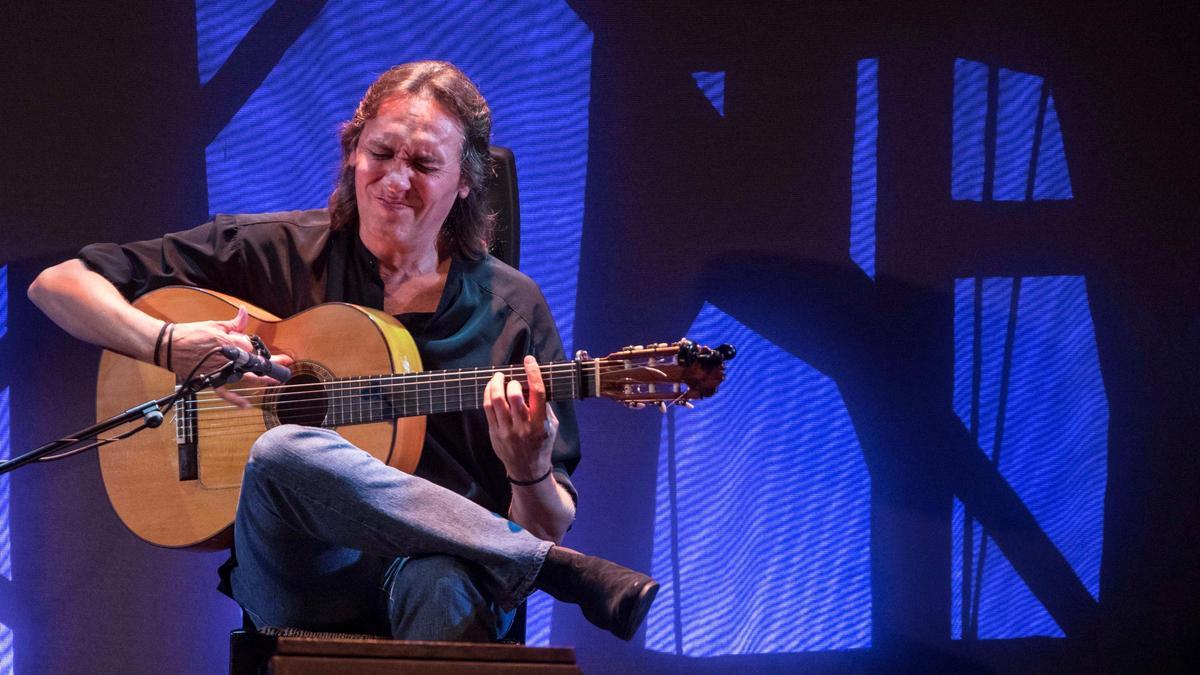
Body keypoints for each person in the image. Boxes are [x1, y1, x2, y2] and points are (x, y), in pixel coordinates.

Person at [27, 60, 657, 642]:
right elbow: (57, 284)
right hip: (301, 570)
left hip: (440, 570)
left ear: (466, 181)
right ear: (353, 151)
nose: (395, 180)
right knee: (281, 450)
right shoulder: (272, 252)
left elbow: (544, 518)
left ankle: (532, 563)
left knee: (441, 585)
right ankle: (559, 572)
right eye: (379, 153)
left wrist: (528, 469)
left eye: (425, 165)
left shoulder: (511, 312)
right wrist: (167, 344)